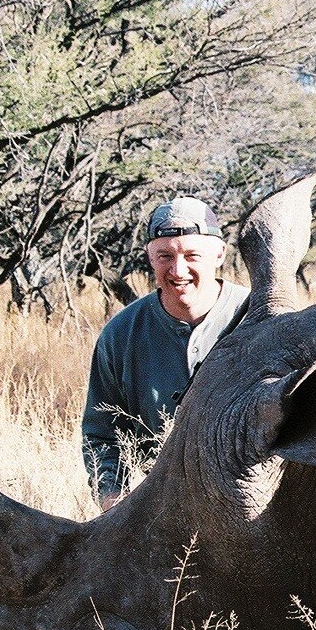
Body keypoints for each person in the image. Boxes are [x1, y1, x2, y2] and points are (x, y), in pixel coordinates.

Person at [82, 196, 250, 509]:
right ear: (149, 258)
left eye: (192, 255)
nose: (178, 269)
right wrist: (114, 503)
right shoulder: (121, 334)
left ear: (219, 254)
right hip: (161, 506)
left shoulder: (259, 317)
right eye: (165, 256)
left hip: (251, 499)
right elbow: (101, 436)